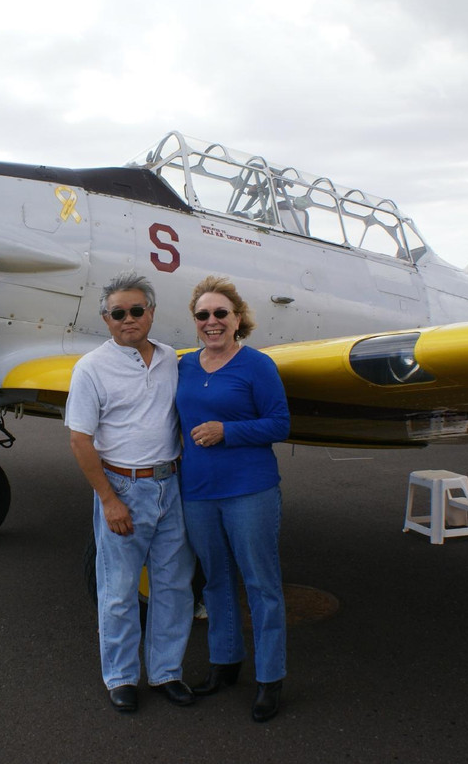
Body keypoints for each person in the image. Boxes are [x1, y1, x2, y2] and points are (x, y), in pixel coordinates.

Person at [64, 270, 196, 713]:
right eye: (117, 313)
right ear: (106, 319)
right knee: (118, 591)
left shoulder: (170, 358)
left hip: (171, 485)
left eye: (136, 310)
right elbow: (80, 440)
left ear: (151, 313)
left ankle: (166, 672)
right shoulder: (91, 368)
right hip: (123, 487)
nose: (128, 319)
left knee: (174, 587)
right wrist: (109, 499)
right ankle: (120, 677)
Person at [176, 275, 291, 722]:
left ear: (238, 319)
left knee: (261, 583)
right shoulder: (184, 366)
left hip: (249, 491)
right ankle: (224, 663)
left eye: (221, 313)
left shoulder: (257, 365)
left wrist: (229, 431)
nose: (212, 321)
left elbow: (280, 424)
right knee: (214, 581)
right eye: (202, 314)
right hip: (198, 492)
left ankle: (270, 678)